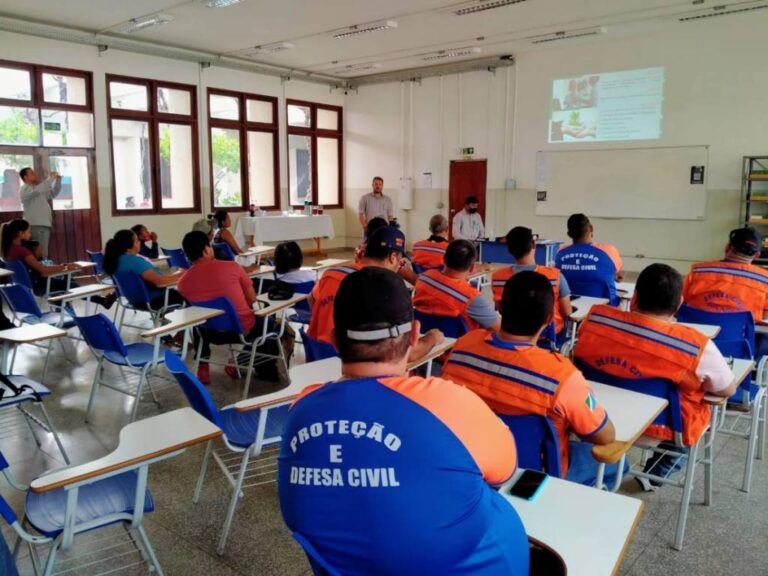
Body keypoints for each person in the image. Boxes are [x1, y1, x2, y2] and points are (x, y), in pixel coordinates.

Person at [278, 267, 529, 575]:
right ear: (414, 335)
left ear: (334, 340)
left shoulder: (300, 412)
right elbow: (505, 471)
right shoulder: (449, 403)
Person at [574, 263, 737, 490]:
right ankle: (654, 474)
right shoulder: (696, 345)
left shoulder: (596, 321)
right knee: (692, 430)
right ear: (679, 304)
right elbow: (726, 390)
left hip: (596, 417)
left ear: (634, 298)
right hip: (662, 429)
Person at [442, 271, 616, 483]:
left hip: (471, 462)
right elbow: (604, 435)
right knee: (618, 462)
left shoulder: (463, 346)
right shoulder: (562, 376)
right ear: (549, 319)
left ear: (499, 307)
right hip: (535, 476)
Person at [307, 226, 444, 359]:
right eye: (401, 262)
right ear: (393, 257)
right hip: (354, 363)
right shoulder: (385, 289)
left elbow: (311, 299)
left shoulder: (331, 274)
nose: (399, 267)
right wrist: (431, 338)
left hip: (317, 357)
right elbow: (406, 353)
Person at [177, 231, 267, 385]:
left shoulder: (182, 283)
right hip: (240, 330)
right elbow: (252, 299)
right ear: (206, 250)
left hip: (209, 332)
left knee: (198, 321)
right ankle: (236, 363)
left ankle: (203, 367)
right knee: (268, 322)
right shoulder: (233, 267)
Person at [492, 226, 572, 341]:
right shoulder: (555, 276)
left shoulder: (497, 278)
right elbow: (567, 312)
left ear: (509, 250)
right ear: (534, 245)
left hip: (513, 337)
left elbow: (501, 310)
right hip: (548, 337)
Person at [682, 227, 768, 324]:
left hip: (696, 331)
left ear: (727, 247)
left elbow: (680, 302)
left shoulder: (698, 271)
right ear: (757, 255)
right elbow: (765, 317)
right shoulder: (765, 279)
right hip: (740, 333)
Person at [413, 240, 500, 332]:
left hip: (425, 336)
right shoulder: (470, 298)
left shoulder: (424, 278)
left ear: (443, 259)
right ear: (472, 267)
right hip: (462, 340)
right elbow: (499, 329)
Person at [103, 229, 185, 311]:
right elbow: (160, 282)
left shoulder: (115, 261)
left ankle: (162, 316)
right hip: (154, 300)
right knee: (188, 292)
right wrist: (182, 275)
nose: (139, 242)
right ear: (128, 247)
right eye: (136, 241)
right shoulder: (134, 261)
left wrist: (178, 275)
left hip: (134, 300)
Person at [555, 213, 623, 305]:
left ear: (569, 234)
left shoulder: (560, 253)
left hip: (572, 308)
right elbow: (616, 271)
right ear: (591, 228)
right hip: (604, 309)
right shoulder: (609, 251)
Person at [19, 167, 61, 257]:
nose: (35, 174)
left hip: (42, 224)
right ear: (25, 177)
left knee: (39, 252)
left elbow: (53, 194)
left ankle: (39, 265)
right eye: (31, 173)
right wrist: (51, 178)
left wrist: (58, 181)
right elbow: (38, 190)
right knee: (41, 252)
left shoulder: (38, 189)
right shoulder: (25, 189)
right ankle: (41, 266)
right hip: (36, 225)